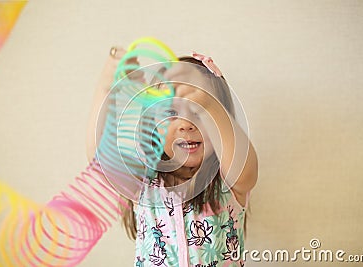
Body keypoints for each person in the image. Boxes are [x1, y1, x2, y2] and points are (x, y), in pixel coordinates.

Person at [86, 46, 258, 267]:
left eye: (197, 112)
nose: (186, 124)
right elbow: (100, 157)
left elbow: (244, 165)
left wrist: (210, 107)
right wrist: (106, 88)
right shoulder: (143, 185)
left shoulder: (228, 182)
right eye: (170, 113)